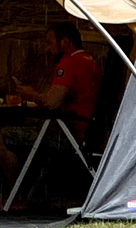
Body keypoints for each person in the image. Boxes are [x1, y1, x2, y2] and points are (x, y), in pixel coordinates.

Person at [0, 22, 102, 185]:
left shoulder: (69, 62)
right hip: (91, 132)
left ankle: (16, 196)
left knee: (3, 137)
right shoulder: (92, 63)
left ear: (65, 42)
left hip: (70, 135)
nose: (46, 49)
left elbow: (52, 102)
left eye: (49, 43)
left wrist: (31, 94)